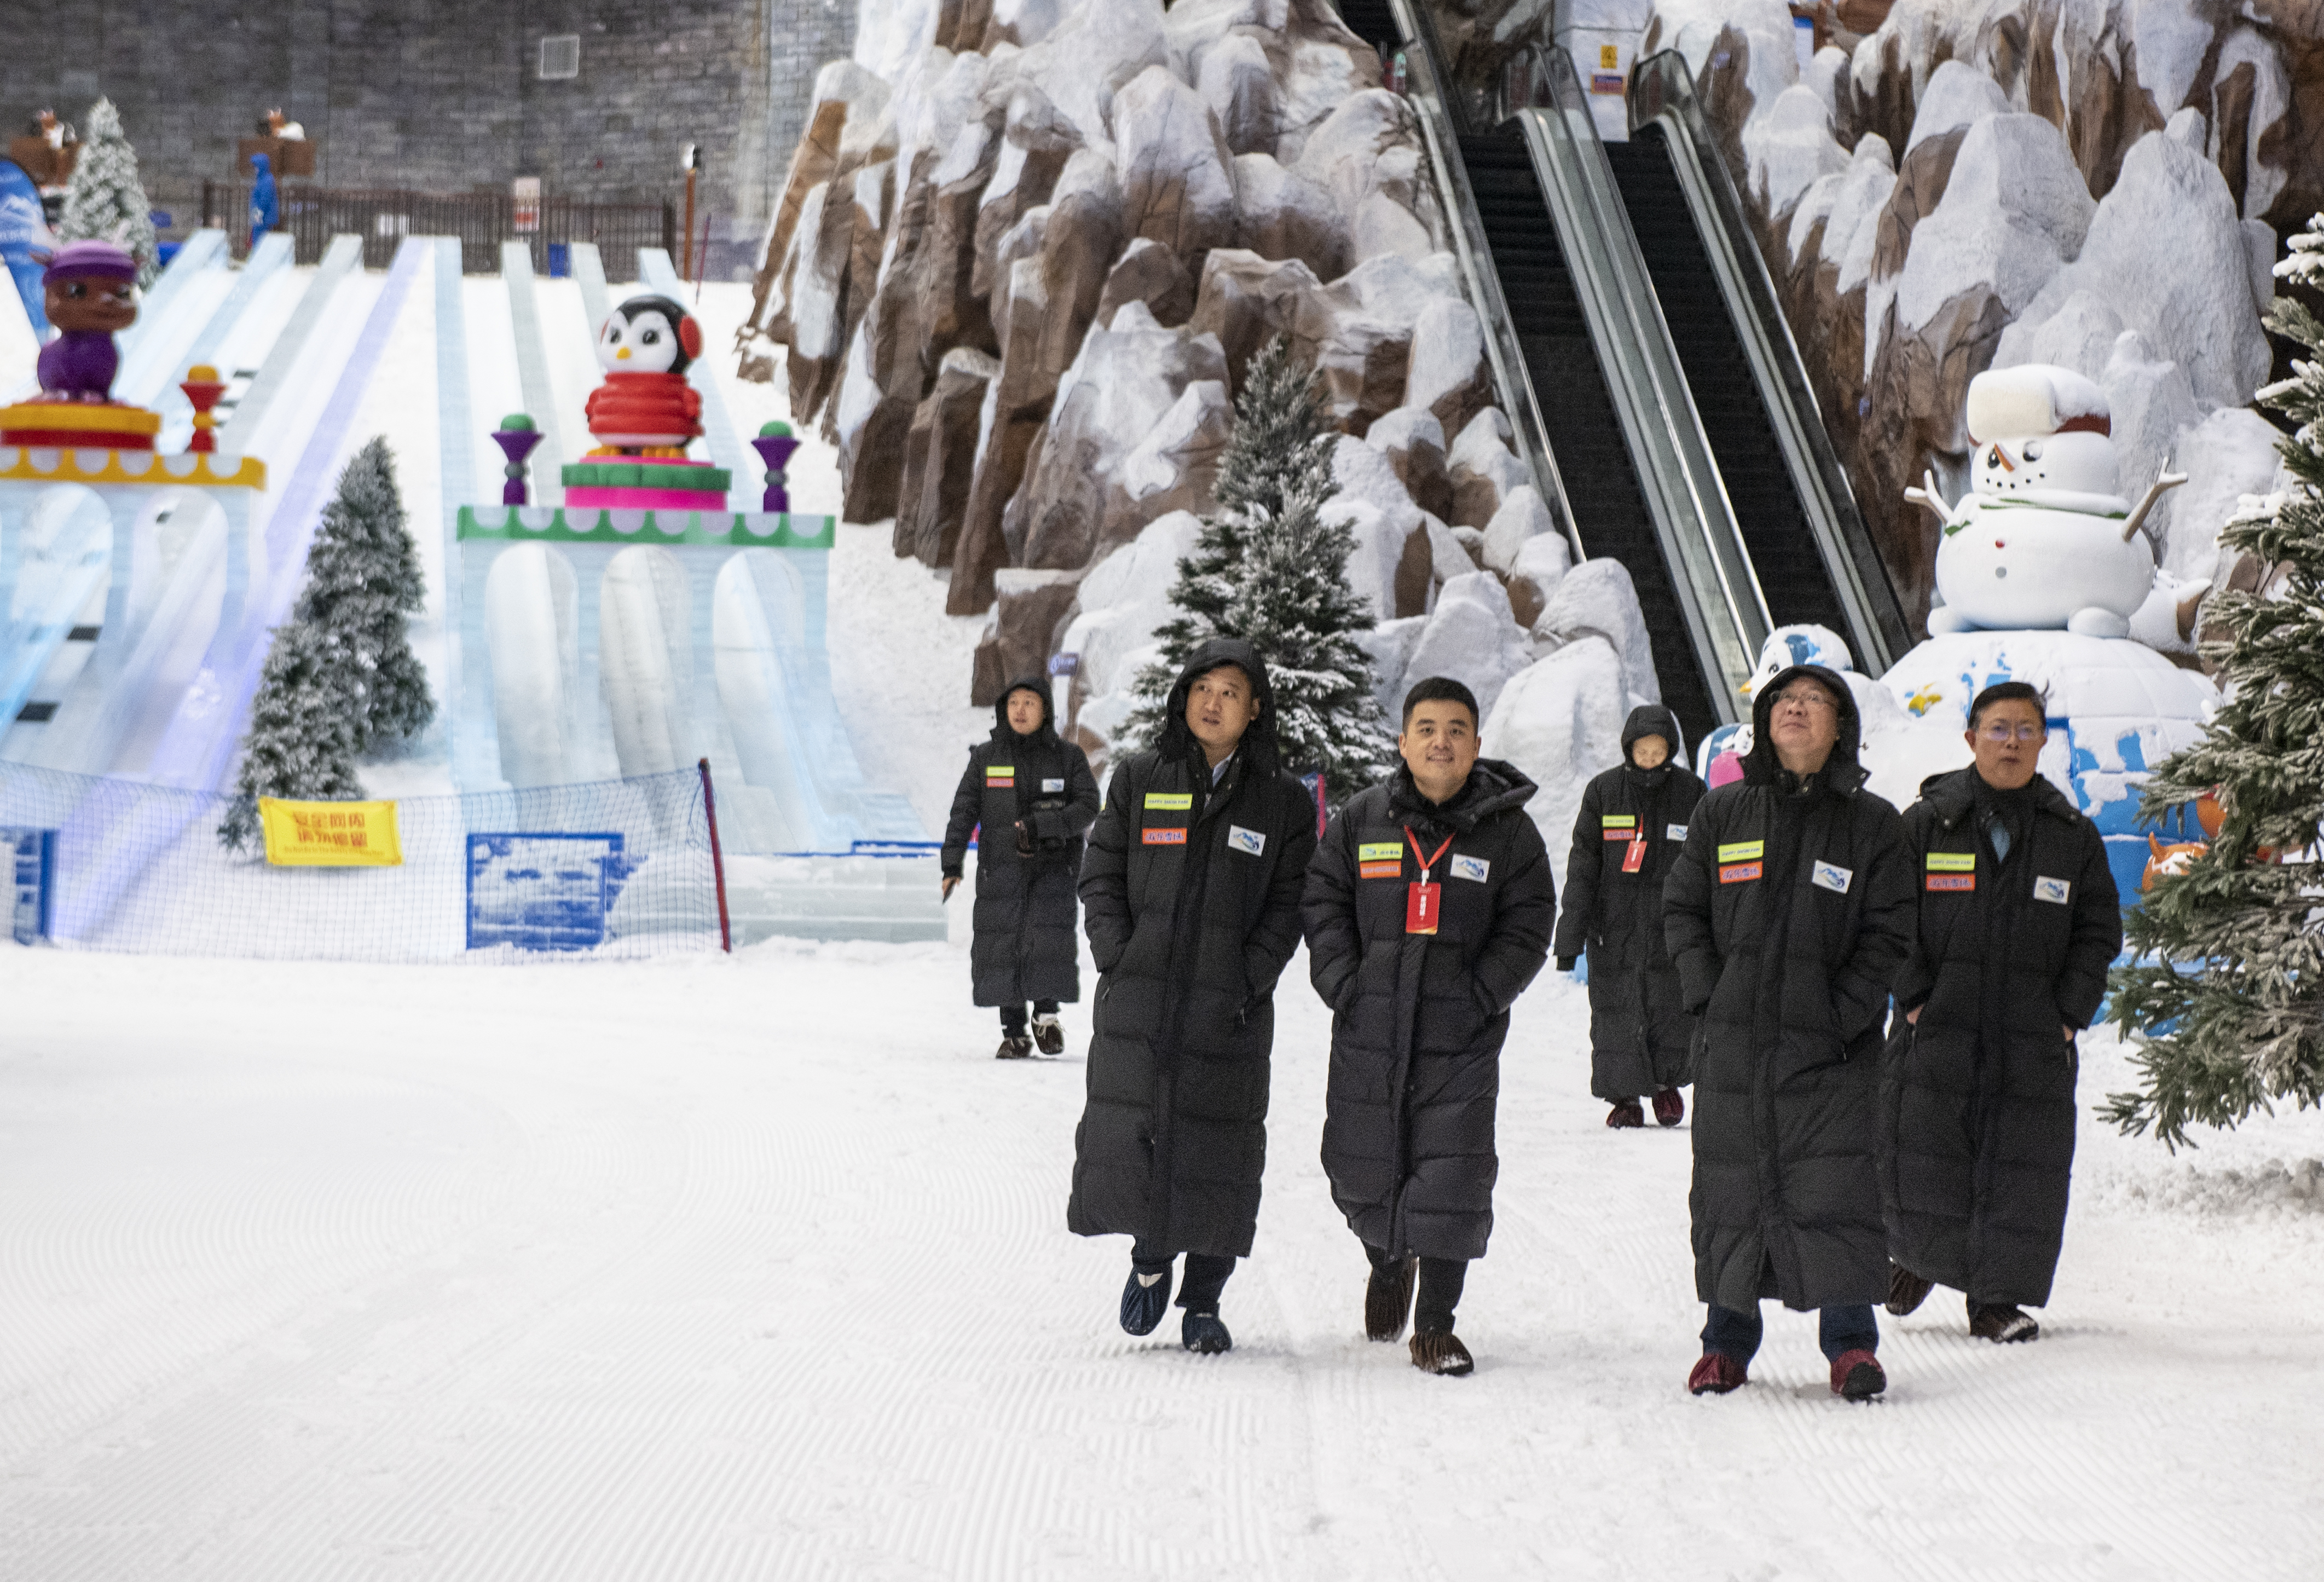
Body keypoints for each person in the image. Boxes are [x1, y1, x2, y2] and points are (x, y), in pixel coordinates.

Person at [1664, 664, 1913, 1401]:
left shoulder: (1872, 824)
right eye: (1782, 700)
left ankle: (1850, 1346)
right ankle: (1725, 1344)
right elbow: (1681, 909)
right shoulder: (1722, 814)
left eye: (1813, 701)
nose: (1795, 709)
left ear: (1841, 727)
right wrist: (1708, 995)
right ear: (1763, 721)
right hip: (1734, 1044)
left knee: (1835, 1188)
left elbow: (1890, 930)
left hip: (1831, 1052)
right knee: (1730, 1192)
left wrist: (1841, 1014)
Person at [1068, 638, 1317, 1355]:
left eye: (1231, 691)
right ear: (1183, 696)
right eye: (1202, 686)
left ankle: (1204, 1299)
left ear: (1254, 709)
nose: (1213, 701)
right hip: (1143, 998)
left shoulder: (1282, 803)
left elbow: (1287, 903)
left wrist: (1247, 977)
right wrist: (1119, 955)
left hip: (1227, 1007)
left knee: (1219, 1149)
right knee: (1146, 1132)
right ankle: (1150, 1261)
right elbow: (1101, 871)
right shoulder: (1142, 777)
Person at [1303, 677, 1556, 1375]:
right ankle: (1387, 1257)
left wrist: (1481, 995)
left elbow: (1530, 922)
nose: (1439, 741)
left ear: (1476, 744)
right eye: (1426, 728)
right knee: (1357, 1167)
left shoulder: (1509, 832)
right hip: (1370, 1027)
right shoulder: (1362, 818)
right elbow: (1323, 896)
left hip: (1461, 1036)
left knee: (1454, 1174)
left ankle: (1437, 1324)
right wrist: (1344, 982)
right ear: (1403, 740)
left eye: (1454, 729)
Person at [1882, 682, 2121, 1343]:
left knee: (2020, 1164)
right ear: (1969, 739)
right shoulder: (1925, 823)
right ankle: (1915, 1258)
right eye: (1997, 728)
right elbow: (1888, 916)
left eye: (2024, 730)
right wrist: (1914, 996)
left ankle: (1995, 1298)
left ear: (2044, 741)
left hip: (2032, 1033)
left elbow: (2098, 929)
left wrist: (2070, 1012)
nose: (2011, 742)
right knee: (1922, 1150)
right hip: (1937, 1022)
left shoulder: (2071, 836)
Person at [1554, 703, 1707, 1128]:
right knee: (1616, 1013)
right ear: (1628, 749)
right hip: (1613, 929)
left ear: (1670, 750)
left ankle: (1664, 1086)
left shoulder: (1692, 793)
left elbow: (1706, 865)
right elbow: (1583, 867)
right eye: (1643, 751)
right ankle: (1623, 1099)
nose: (1650, 759)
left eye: (1659, 751)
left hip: (1670, 928)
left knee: (1669, 1010)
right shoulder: (1603, 793)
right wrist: (1569, 937)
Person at [940, 678, 1100, 1059]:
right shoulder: (985, 758)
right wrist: (952, 862)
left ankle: (1046, 1017)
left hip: (1052, 868)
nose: (1021, 710)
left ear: (1045, 710)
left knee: (1046, 939)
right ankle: (1014, 1032)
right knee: (1004, 945)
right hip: (1001, 870)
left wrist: (1045, 825)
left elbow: (1088, 806)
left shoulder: (1068, 757)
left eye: (1030, 702)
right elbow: (964, 812)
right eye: (1014, 702)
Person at [248, 152, 279, 249]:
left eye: (256, 166)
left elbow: (265, 199)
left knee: (258, 240)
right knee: (256, 237)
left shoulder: (267, 180)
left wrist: (258, 214)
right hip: (259, 214)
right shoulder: (263, 179)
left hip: (262, 216)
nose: (255, 169)